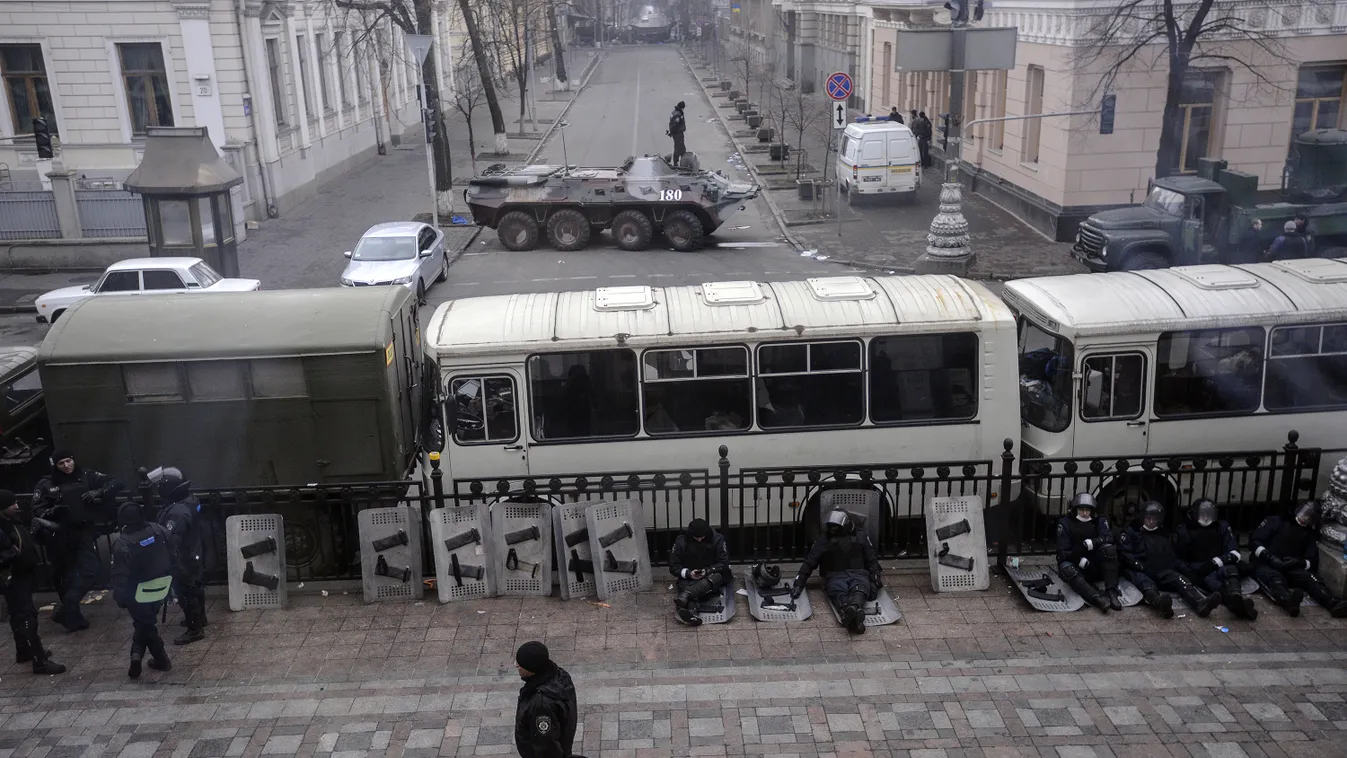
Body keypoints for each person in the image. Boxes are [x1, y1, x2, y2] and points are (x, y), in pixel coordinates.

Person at [31, 449, 124, 632]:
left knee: (91, 569)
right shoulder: (46, 484)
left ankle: (66, 608)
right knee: (64, 576)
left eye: (68, 461)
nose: (66, 466)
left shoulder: (86, 475)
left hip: (82, 531)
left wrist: (99, 492)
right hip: (58, 536)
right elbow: (35, 511)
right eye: (61, 463)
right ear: (55, 465)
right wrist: (51, 512)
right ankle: (73, 618)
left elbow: (117, 482)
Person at [0, 490, 66, 675]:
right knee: (27, 616)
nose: (16, 506)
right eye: (11, 504)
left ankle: (24, 651)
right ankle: (39, 661)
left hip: (20, 574)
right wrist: (14, 555)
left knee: (17, 614)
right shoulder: (3, 527)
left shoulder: (10, 521)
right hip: (14, 577)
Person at [1119, 501, 1222, 617]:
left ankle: (1200, 603)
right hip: (1141, 569)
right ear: (1143, 518)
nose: (1151, 522)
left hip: (1162, 569)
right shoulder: (1133, 531)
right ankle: (1160, 604)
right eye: (1148, 519)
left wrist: (1186, 570)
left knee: (1181, 580)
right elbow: (1125, 553)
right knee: (1146, 584)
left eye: (1154, 519)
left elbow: (1171, 556)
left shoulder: (1163, 533)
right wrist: (1138, 565)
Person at [1251, 500, 1347, 618]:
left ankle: (1332, 602)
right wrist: (1268, 556)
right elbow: (1255, 542)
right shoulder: (1276, 521)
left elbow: (1311, 561)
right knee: (1274, 580)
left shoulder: (1309, 534)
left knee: (1310, 579)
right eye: (1304, 513)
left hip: (1291, 566)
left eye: (1309, 516)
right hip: (1268, 563)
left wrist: (1298, 562)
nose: (1304, 517)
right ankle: (1288, 600)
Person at [110, 501, 174, 677]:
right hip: (162, 587)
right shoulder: (158, 529)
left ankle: (158, 659)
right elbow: (173, 551)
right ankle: (143, 657)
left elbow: (119, 575)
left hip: (138, 593)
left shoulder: (122, 544)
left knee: (145, 624)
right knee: (144, 623)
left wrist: (120, 598)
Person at [792, 509, 882, 634]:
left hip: (857, 573)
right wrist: (799, 583)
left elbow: (871, 560)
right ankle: (852, 611)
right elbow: (810, 562)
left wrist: (875, 579)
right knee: (840, 590)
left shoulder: (860, 536)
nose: (832, 530)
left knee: (859, 588)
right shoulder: (824, 540)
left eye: (835, 527)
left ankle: (851, 610)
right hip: (835, 575)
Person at [147, 466, 207, 645]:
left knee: (186, 592)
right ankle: (200, 618)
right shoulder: (191, 500)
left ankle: (195, 629)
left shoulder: (177, 513)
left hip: (183, 558)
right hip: (194, 552)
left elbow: (171, 540)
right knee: (196, 586)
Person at [1175, 498, 1257, 620]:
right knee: (1211, 582)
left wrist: (1216, 562)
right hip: (1201, 569)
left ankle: (1237, 597)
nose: (1206, 517)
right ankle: (1233, 604)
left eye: (1209, 514)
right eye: (1203, 514)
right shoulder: (1184, 530)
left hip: (1221, 564)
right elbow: (1177, 558)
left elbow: (1234, 552)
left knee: (1231, 571)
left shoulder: (1222, 527)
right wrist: (1190, 572)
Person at [1054, 493, 1122, 613]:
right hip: (1077, 563)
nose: (1085, 513)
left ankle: (1112, 592)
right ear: (1075, 510)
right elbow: (1062, 552)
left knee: (1109, 550)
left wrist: (1094, 542)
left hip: (1096, 564)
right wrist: (1079, 560)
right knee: (1066, 568)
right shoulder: (1065, 523)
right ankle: (1097, 598)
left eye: (1087, 510)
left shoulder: (1098, 521)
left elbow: (1109, 537)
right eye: (1081, 510)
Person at [514, 641, 580, 758]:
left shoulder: (541, 705)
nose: (516, 666)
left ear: (531, 669)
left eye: (519, 665)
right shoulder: (560, 675)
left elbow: (546, 746)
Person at [669, 518, 731, 626]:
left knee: (716, 577)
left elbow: (723, 563)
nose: (699, 540)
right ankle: (691, 610)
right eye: (696, 537)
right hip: (690, 576)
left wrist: (706, 571)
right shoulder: (681, 542)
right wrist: (689, 573)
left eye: (701, 537)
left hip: (711, 574)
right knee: (685, 583)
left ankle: (686, 598)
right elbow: (673, 566)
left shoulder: (717, 539)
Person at [667, 101, 687, 168]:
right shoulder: (677, 115)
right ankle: (676, 163)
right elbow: (674, 125)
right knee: (678, 148)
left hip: (678, 133)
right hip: (677, 134)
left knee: (682, 148)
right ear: (681, 107)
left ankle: (683, 162)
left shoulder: (675, 112)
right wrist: (674, 132)